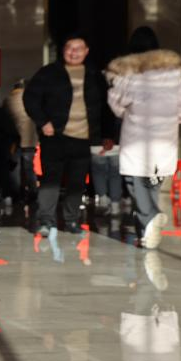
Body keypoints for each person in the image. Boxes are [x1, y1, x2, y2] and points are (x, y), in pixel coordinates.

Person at [106, 26, 181, 249]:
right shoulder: (173, 74)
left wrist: (127, 114)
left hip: (137, 135)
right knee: (153, 182)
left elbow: (116, 103)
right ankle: (145, 232)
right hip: (165, 137)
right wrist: (176, 119)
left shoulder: (129, 73)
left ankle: (151, 217)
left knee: (135, 182)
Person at [24, 33, 114, 235]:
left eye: (78, 48)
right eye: (69, 48)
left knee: (77, 182)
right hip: (54, 136)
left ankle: (72, 220)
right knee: (50, 180)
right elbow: (30, 99)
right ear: (63, 50)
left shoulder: (94, 75)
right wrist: (42, 122)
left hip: (83, 138)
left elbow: (106, 106)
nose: (74, 53)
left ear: (86, 51)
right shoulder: (48, 73)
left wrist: (107, 134)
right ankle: (46, 221)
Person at [4, 79, 38, 204]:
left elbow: (4, 117)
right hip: (29, 139)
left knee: (14, 168)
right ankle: (33, 192)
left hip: (14, 140)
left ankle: (17, 194)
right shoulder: (32, 99)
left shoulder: (8, 99)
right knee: (29, 168)